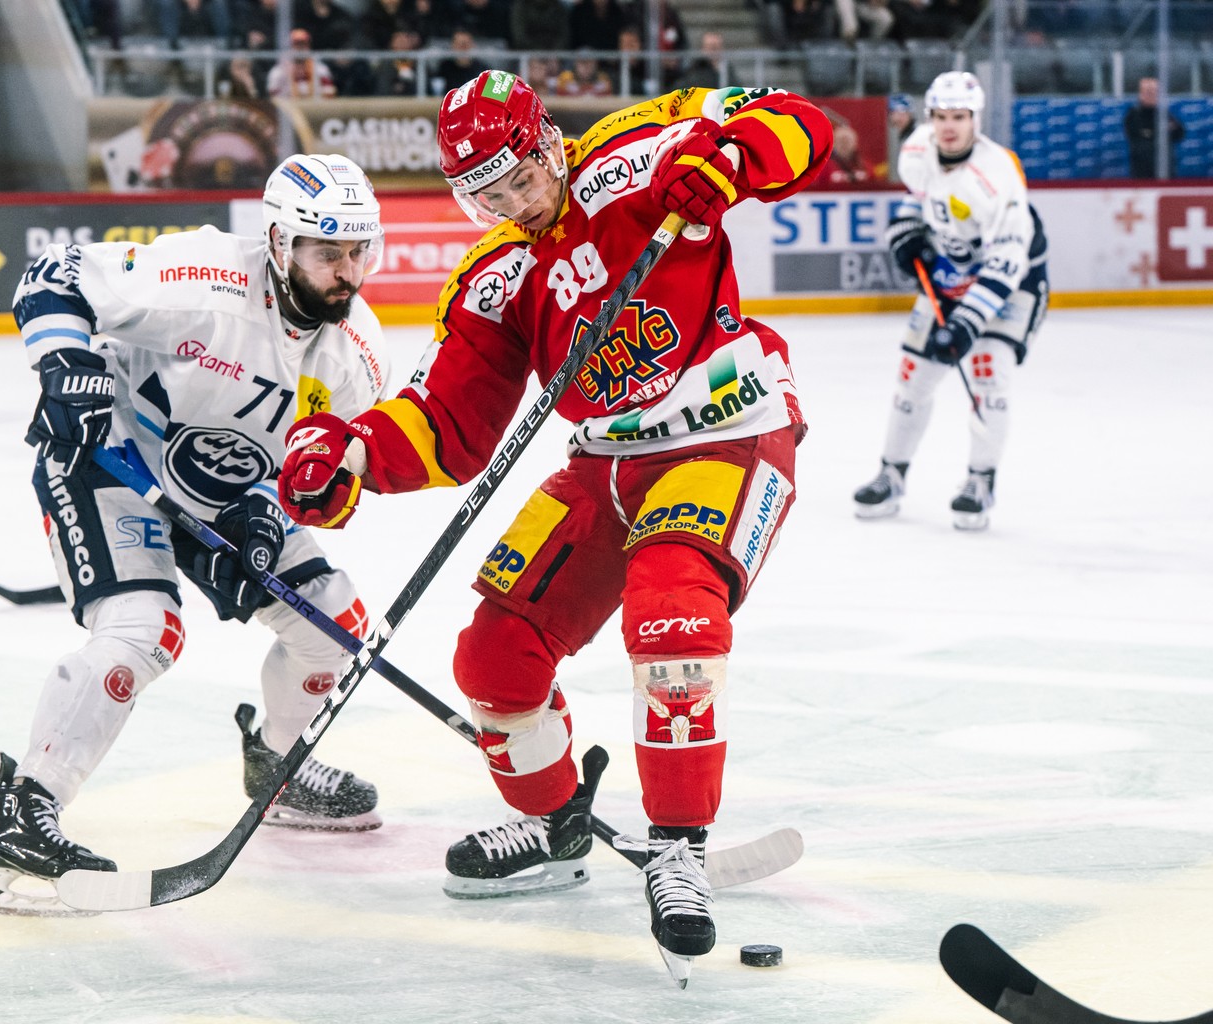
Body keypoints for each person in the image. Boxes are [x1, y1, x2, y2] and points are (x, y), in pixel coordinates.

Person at [277, 71, 829, 973]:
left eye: (519, 180)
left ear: (548, 144)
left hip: (728, 432)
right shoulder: (497, 274)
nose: (510, 204)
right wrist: (355, 456)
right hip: (604, 463)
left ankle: (678, 851)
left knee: (673, 614)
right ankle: (552, 820)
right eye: (484, 194)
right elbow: (449, 421)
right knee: (493, 656)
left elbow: (798, 119)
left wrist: (732, 158)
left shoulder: (638, 149)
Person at [0, 154, 390, 916]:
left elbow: (309, 474)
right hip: (111, 458)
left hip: (220, 496)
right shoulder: (204, 275)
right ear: (279, 243)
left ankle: (279, 769)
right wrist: (68, 366)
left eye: (360, 252)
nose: (347, 273)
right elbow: (54, 276)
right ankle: (22, 815)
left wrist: (264, 517)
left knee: (336, 627)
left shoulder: (355, 356)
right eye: (328, 253)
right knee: (143, 627)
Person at [852, 72, 1049, 530]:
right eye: (940, 116)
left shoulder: (999, 175)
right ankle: (891, 473)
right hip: (950, 274)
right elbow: (919, 200)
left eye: (959, 117)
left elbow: (1007, 261)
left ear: (975, 119)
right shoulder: (919, 149)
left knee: (988, 377)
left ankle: (980, 481)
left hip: (1014, 283)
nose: (949, 126)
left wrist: (965, 325)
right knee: (912, 379)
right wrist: (905, 234)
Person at [1124, 76, 1185, 180]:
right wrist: (1162, 133)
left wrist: (1153, 133)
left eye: (1155, 91)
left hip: (1166, 171)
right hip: (1142, 172)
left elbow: (1179, 133)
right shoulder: (1133, 116)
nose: (1152, 95)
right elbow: (1138, 138)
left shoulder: (1164, 115)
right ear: (1141, 94)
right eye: (1148, 91)